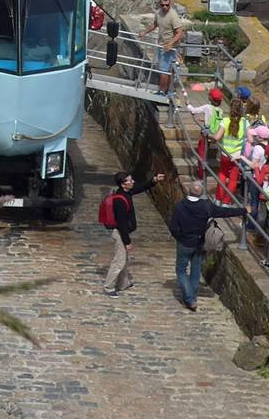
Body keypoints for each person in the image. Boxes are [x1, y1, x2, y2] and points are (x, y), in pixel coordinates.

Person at [167, 177, 246, 311]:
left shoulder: (180, 206)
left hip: (185, 242)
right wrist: (243, 210)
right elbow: (225, 212)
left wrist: (180, 238)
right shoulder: (206, 206)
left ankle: (190, 298)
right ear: (201, 193)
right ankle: (192, 297)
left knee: (181, 270)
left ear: (189, 192)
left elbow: (173, 227)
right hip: (199, 242)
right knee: (196, 270)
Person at [102, 169, 166, 295]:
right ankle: (108, 287)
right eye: (130, 180)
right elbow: (121, 224)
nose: (133, 181)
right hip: (121, 234)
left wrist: (154, 180)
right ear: (123, 184)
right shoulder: (119, 201)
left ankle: (123, 283)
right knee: (119, 261)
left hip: (123, 232)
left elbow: (141, 187)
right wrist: (127, 242)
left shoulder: (127, 192)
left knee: (124, 260)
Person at [139, 0, 185, 95]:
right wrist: (144, 32)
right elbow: (155, 24)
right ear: (160, 4)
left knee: (164, 70)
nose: (165, 7)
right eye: (162, 5)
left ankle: (162, 91)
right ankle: (169, 90)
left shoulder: (173, 16)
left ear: (170, 4)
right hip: (161, 45)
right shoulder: (158, 13)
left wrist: (170, 44)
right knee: (167, 70)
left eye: (167, 5)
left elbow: (180, 32)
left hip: (169, 47)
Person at [188, 85, 225, 176]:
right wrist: (205, 119)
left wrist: (188, 104)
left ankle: (201, 175)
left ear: (211, 98)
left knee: (201, 154)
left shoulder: (207, 107)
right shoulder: (220, 110)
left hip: (206, 134)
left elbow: (194, 111)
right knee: (205, 153)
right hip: (214, 134)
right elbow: (215, 119)